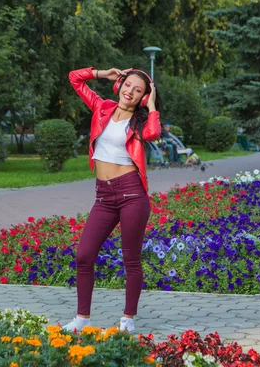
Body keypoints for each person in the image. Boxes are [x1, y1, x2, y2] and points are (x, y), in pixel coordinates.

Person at [64, 67, 162, 334]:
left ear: (143, 97)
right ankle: (82, 319)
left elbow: (153, 133)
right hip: (104, 196)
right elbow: (74, 78)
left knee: (131, 259)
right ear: (120, 85)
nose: (130, 91)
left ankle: (128, 319)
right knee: (84, 255)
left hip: (132, 195)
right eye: (128, 85)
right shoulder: (102, 107)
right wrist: (100, 73)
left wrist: (152, 104)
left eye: (138, 90)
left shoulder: (140, 121)